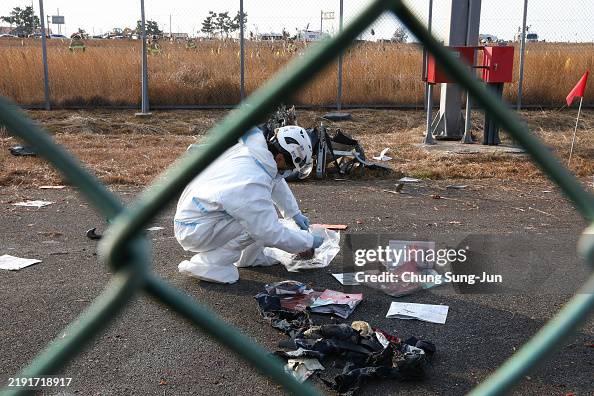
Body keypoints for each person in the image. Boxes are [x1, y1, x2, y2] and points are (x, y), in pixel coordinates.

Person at [174, 125, 323, 284]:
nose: (287, 172)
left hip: (201, 216)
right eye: (289, 167)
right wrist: (307, 241)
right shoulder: (250, 181)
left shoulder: (258, 154)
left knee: (258, 217)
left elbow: (275, 181)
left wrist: (294, 213)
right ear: (279, 158)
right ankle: (208, 265)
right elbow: (268, 231)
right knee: (256, 224)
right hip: (195, 229)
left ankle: (250, 258)